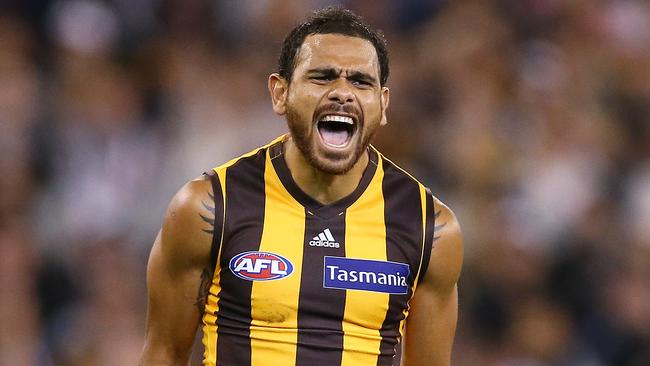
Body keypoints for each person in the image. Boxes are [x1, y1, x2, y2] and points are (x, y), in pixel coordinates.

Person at [140, 7, 463, 366]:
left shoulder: (429, 227)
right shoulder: (208, 207)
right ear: (280, 93)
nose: (342, 93)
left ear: (383, 104)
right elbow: (164, 353)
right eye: (322, 77)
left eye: (360, 81)